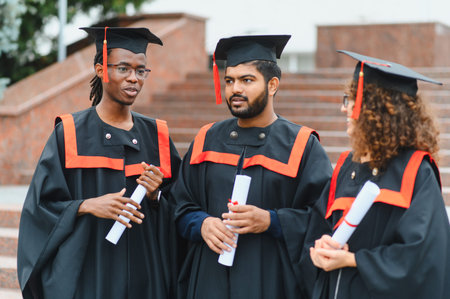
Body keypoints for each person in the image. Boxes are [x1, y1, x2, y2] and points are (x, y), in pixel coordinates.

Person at [17, 27, 182, 299]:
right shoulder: (70, 132)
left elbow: (180, 205)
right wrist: (85, 206)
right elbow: (40, 208)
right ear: (100, 69)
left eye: (141, 71)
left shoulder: (157, 136)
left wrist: (157, 195)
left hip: (145, 277)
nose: (134, 78)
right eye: (123, 68)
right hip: (88, 275)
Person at [171, 35, 333, 299]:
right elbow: (179, 205)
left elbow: (321, 218)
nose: (235, 89)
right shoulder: (206, 139)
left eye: (247, 80)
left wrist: (271, 220)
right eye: (229, 81)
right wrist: (201, 224)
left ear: (272, 85)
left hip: (270, 280)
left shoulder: (302, 145)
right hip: (209, 281)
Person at [309, 50, 450, 299]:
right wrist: (319, 247)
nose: (345, 108)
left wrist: (353, 260)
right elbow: (317, 227)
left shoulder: (415, 171)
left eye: (352, 99)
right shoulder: (346, 166)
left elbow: (424, 256)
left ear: (378, 110)